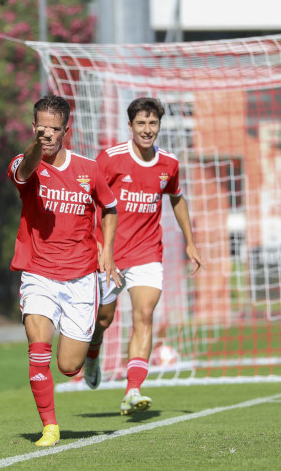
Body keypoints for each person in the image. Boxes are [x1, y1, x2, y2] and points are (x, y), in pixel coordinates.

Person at [7, 95, 119, 447]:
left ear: (66, 131)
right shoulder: (25, 164)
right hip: (38, 273)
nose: (48, 135)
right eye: (42, 128)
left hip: (81, 277)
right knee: (37, 345)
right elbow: (25, 169)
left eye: (54, 130)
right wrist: (35, 146)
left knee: (69, 367)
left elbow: (110, 208)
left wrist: (109, 251)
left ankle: (93, 347)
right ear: (34, 127)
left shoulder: (89, 169)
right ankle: (50, 426)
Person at [83, 97, 203, 415]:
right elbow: (88, 201)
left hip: (148, 252)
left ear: (159, 126)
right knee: (103, 319)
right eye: (141, 124)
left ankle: (133, 390)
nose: (147, 130)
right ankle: (94, 351)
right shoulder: (110, 159)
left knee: (145, 315)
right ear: (130, 126)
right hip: (109, 254)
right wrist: (99, 248)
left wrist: (190, 242)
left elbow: (177, 199)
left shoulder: (169, 165)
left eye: (152, 124)